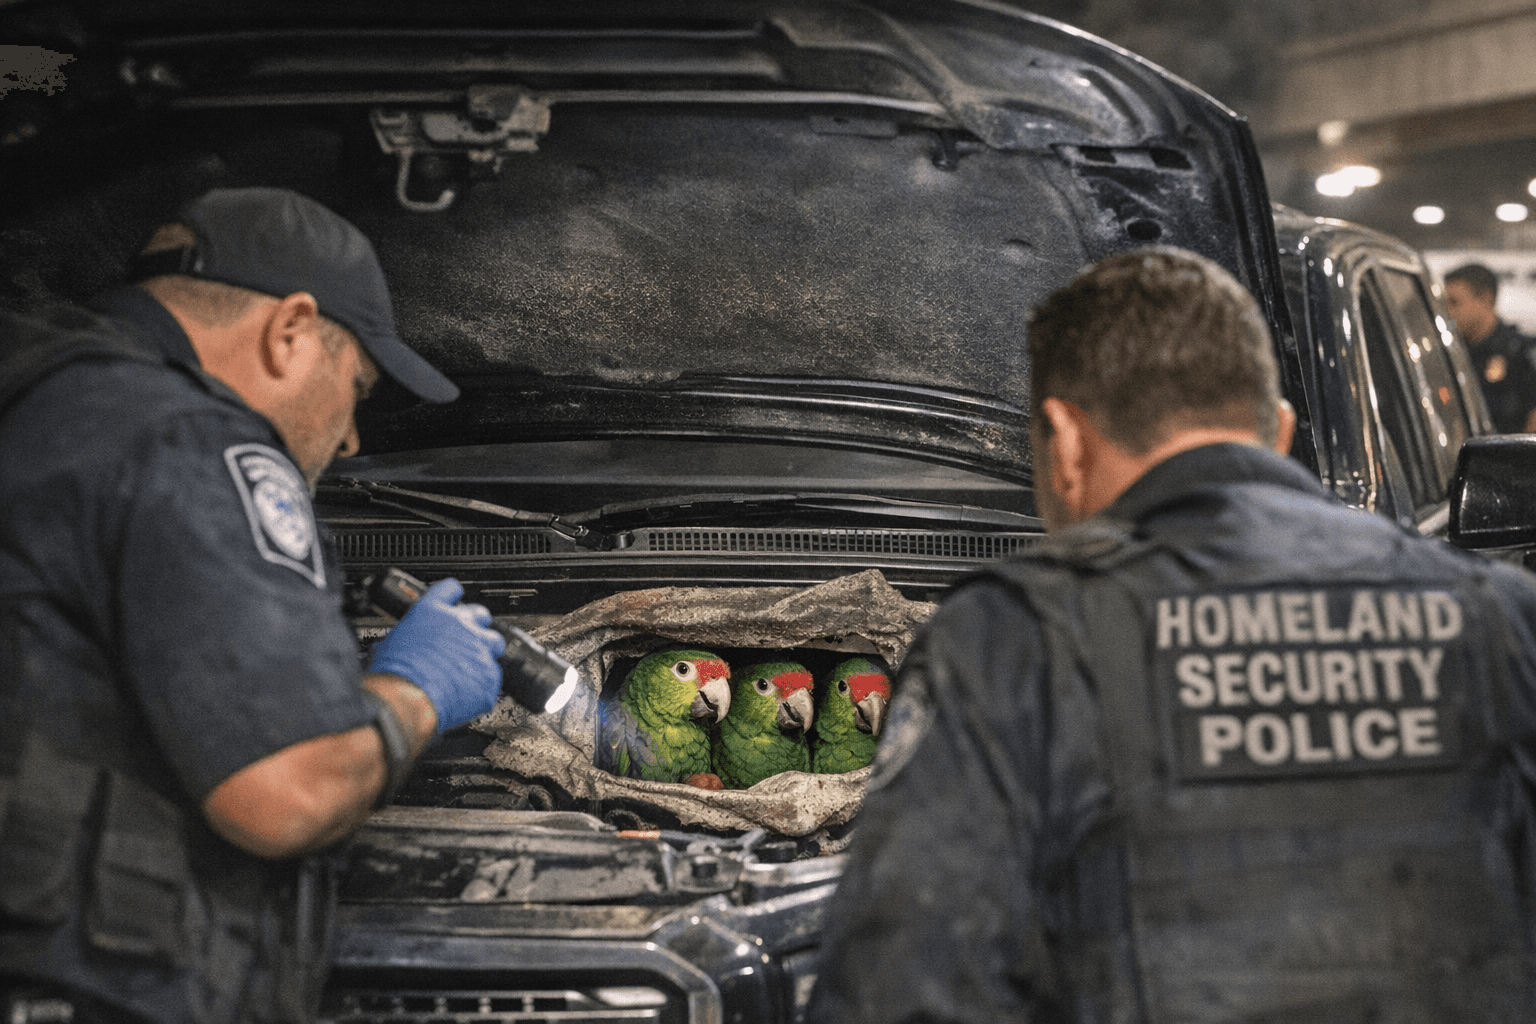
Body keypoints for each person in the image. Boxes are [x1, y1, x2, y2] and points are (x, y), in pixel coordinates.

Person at [809, 247, 1536, 1022]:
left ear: (1065, 442)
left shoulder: (1014, 638)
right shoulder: (1500, 616)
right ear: (1280, 432)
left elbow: (904, 994)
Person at [0, 188, 508, 1022]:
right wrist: (417, 693)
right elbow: (290, 791)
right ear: (290, 331)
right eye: (358, 386)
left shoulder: (42, 402)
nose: (350, 440)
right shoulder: (193, 441)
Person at [1444, 262, 1536, 433]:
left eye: (1454, 302)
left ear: (1486, 300)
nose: (1448, 311)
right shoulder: (1448, 354)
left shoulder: (1520, 353)